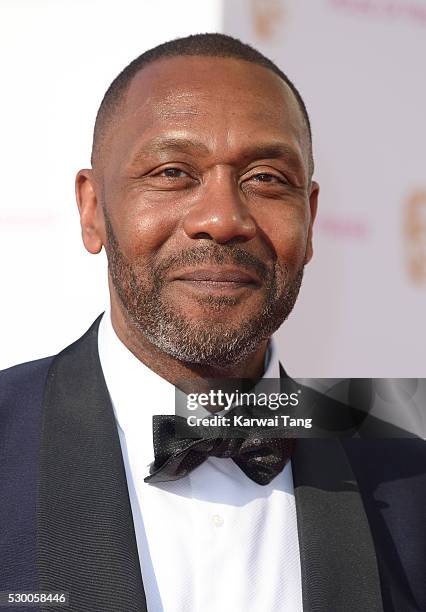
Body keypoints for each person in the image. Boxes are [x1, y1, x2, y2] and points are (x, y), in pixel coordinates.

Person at [0, 33, 424, 612]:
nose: (223, 218)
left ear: (311, 216)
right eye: (173, 172)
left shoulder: (408, 477)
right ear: (92, 208)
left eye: (267, 178)